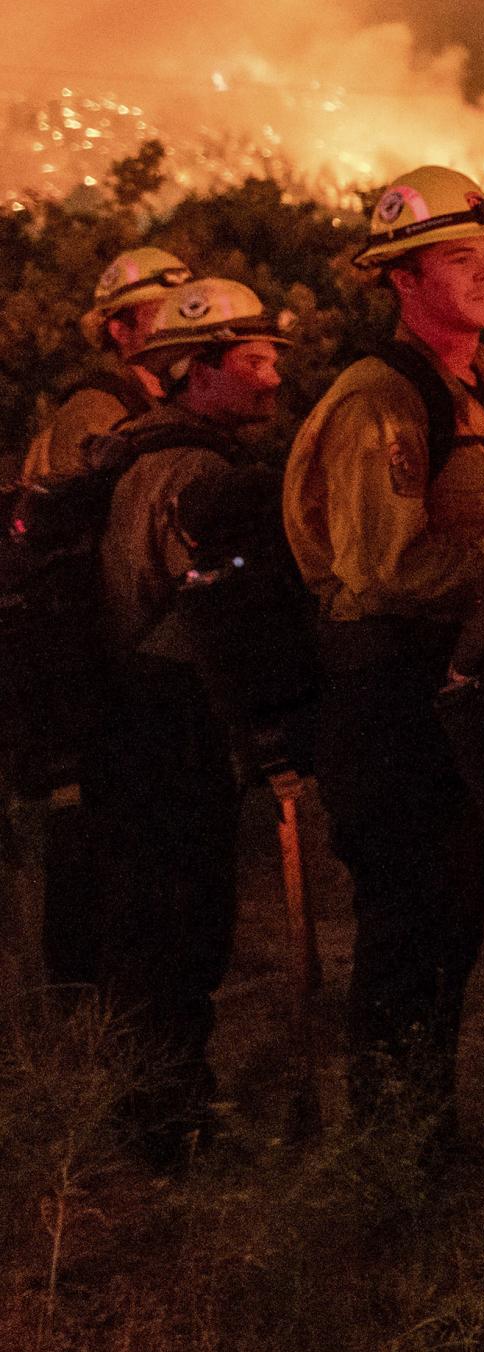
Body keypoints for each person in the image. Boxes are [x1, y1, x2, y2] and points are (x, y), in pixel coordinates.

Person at [283, 165, 484, 1131]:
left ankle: (423, 1133)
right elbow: (386, 571)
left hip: (451, 699)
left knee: (453, 918)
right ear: (404, 280)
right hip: (391, 703)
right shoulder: (383, 400)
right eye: (461, 256)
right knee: (409, 928)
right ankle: (391, 1156)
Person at [94, 277, 294, 1161]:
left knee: (151, 924)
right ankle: (168, 1125)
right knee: (180, 924)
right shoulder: (193, 472)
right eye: (252, 361)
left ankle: (155, 1109)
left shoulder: (134, 448)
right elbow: (211, 615)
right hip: (166, 717)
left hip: (129, 714)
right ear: (196, 367)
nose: (271, 380)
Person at [22, 245, 192, 999]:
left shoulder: (147, 401)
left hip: (127, 645)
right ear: (120, 327)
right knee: (100, 826)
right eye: (158, 311)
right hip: (93, 651)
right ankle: (84, 989)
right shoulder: (97, 408)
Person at [21, 245, 189, 481]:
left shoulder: (181, 396)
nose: (180, 325)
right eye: (163, 314)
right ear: (120, 331)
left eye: (182, 311)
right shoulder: (95, 412)